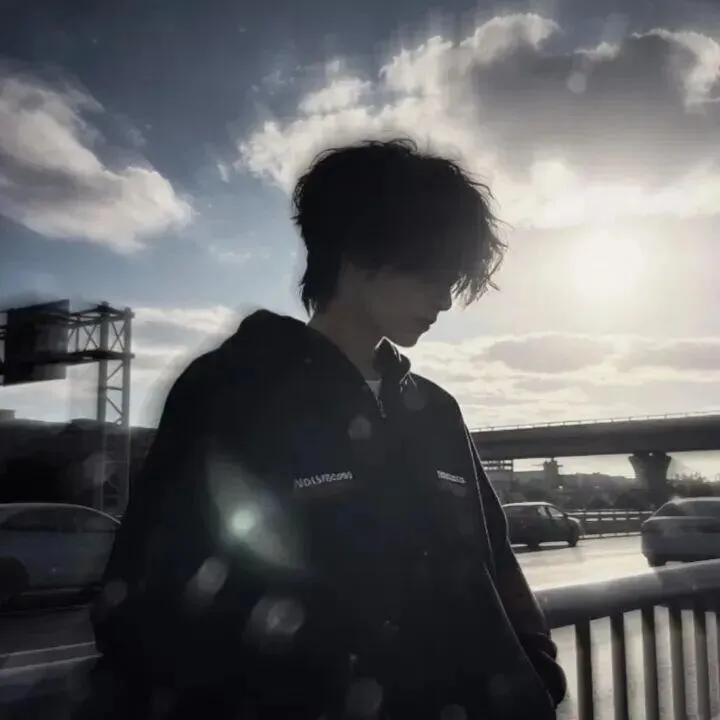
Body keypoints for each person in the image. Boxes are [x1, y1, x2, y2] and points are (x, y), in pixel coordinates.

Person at [76, 138, 566, 720]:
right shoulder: (233, 391)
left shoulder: (436, 410)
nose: (445, 298)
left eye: (455, 278)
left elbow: (496, 560)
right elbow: (148, 596)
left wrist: (537, 668)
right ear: (359, 255)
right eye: (434, 272)